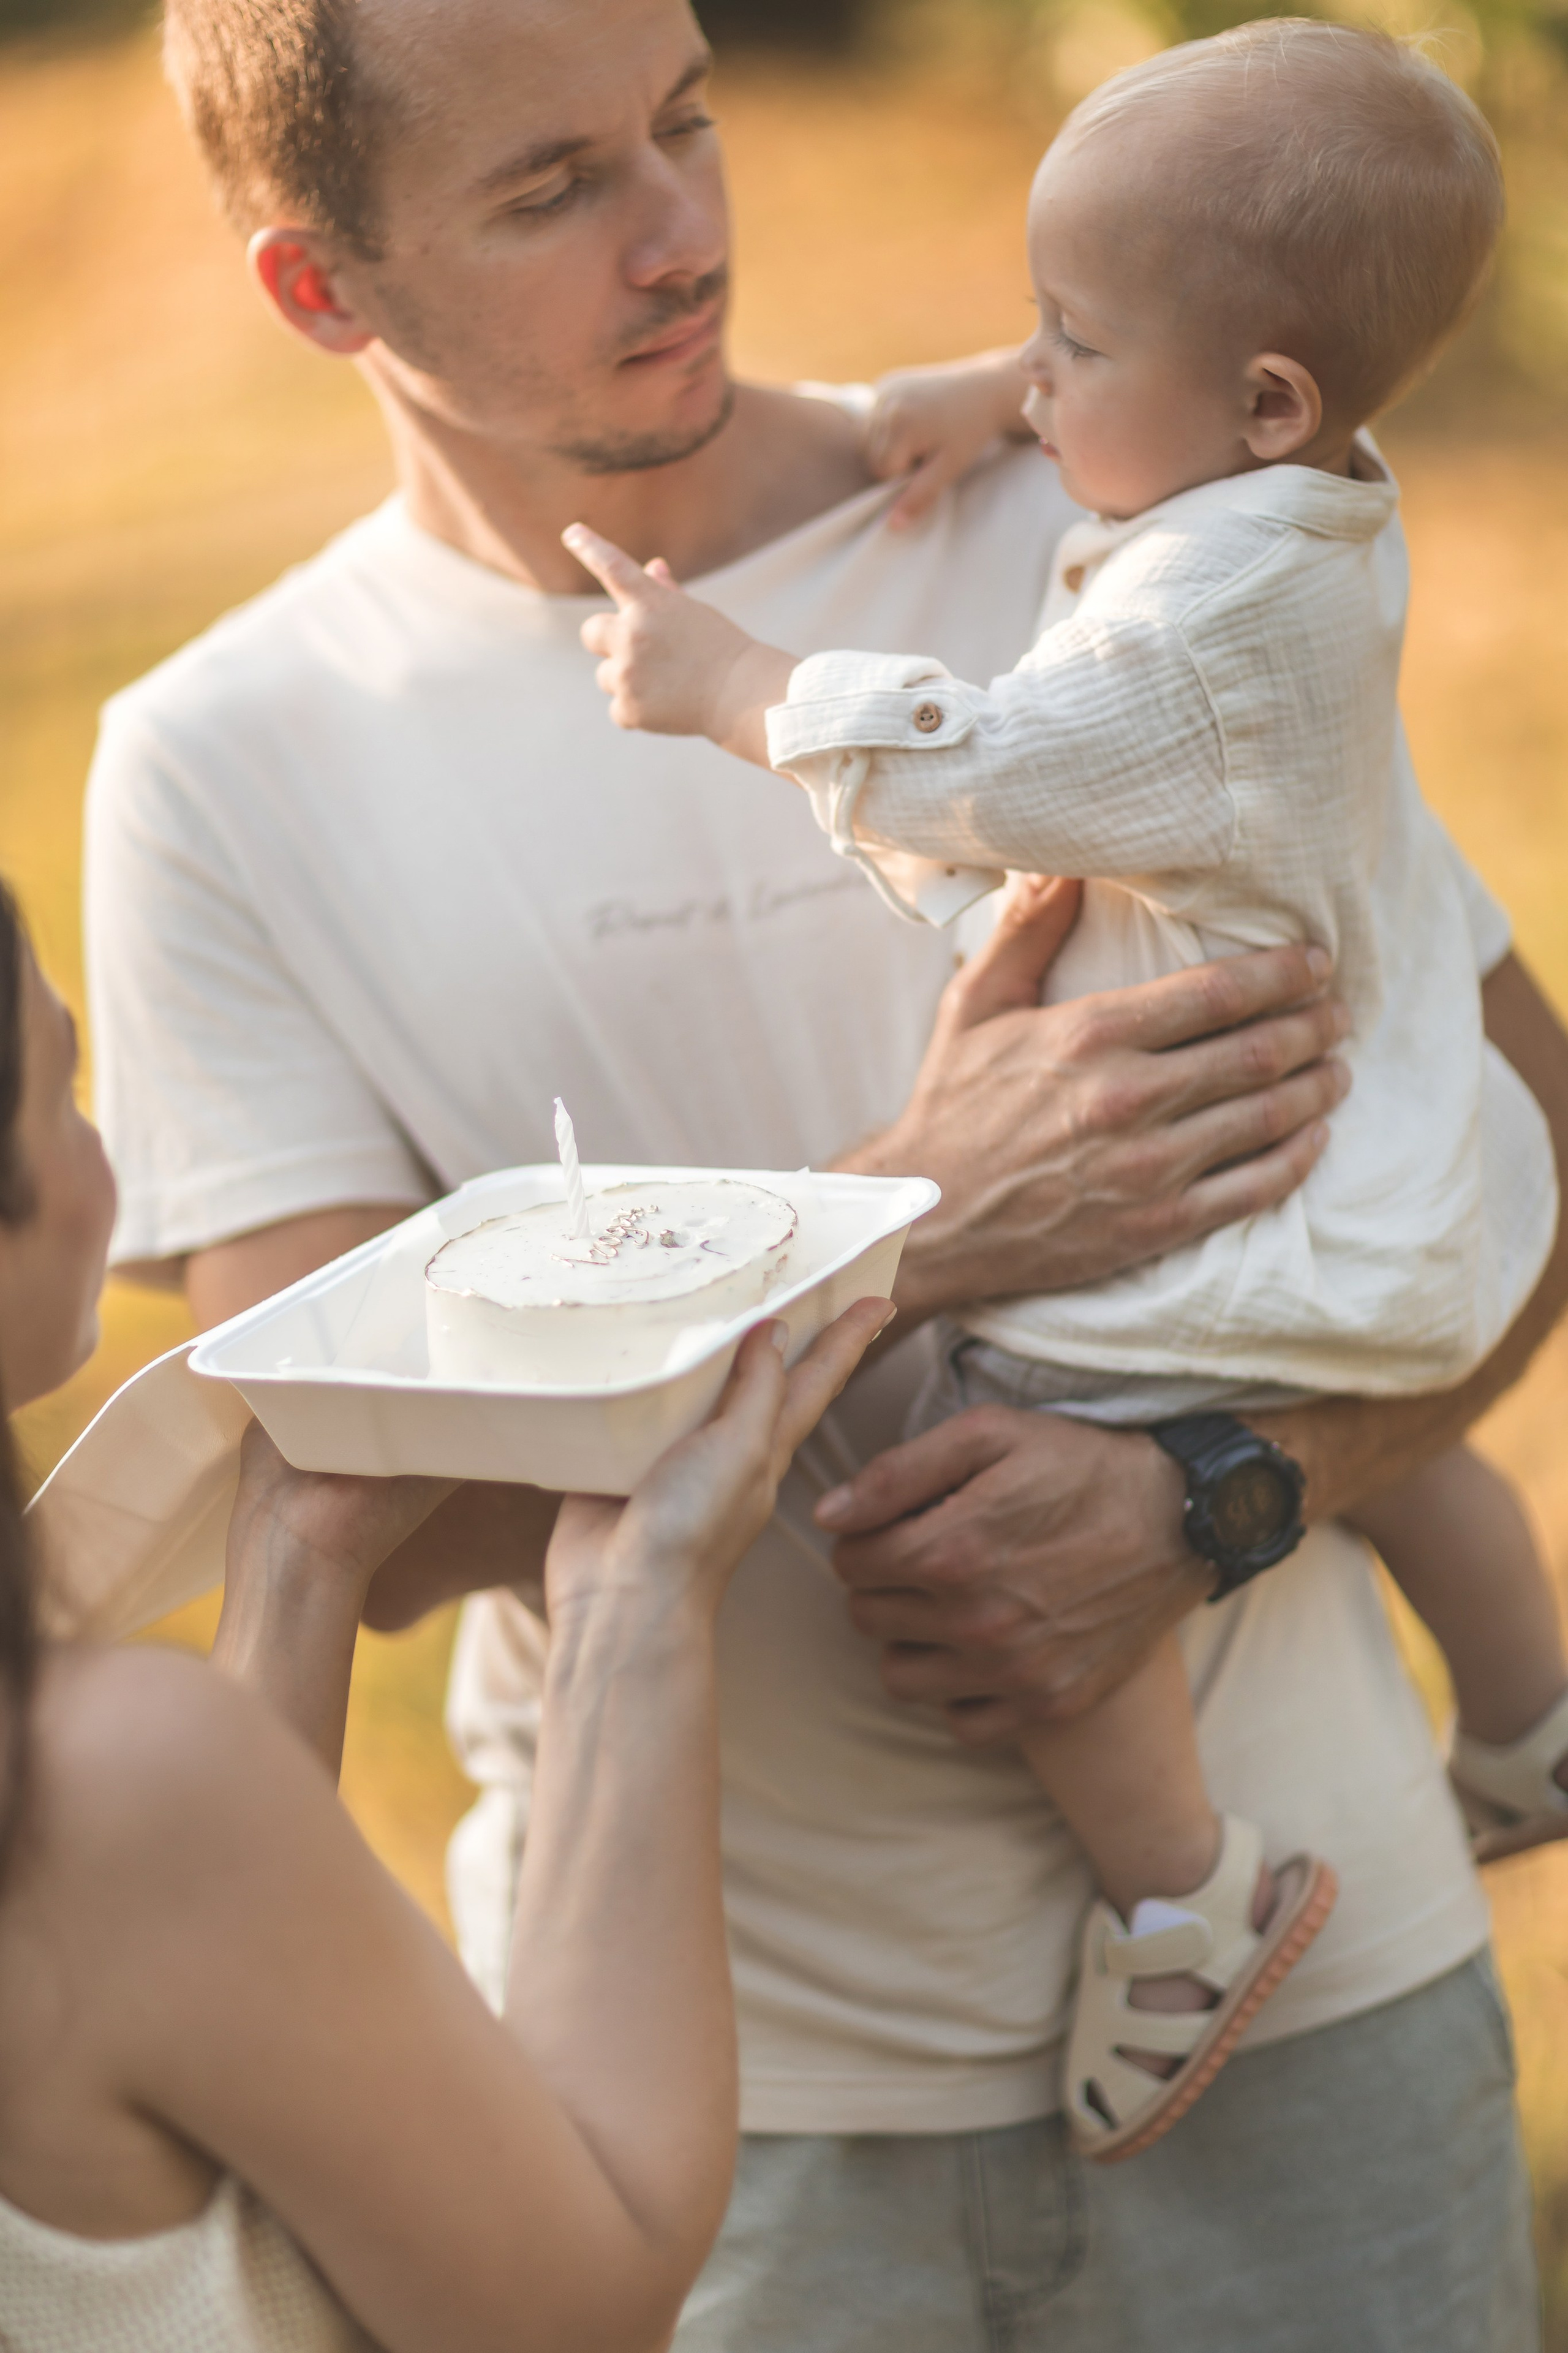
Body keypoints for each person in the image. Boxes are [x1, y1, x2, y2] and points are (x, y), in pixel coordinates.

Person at [81, 0, 1568, 2341]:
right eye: (555, 187)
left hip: (1323, 2018)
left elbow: (1500, 1140)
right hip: (703, 2135)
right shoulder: (217, 769)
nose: (682, 231)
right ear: (322, 288)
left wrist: (1221, 1491)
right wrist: (910, 1209)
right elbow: (376, 1511)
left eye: (685, 123)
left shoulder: (1109, 496)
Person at [562, 17, 1568, 2161]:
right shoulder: (1306, 488)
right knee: (1409, 1400)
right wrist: (984, 392)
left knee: (1019, 1437)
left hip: (1203, 1153)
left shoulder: (1199, 640)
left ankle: (1188, 1896)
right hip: (1373, 1124)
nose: (1036, 379)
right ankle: (1538, 1715)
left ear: (1256, 401)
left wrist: (732, 686)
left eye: (1065, 343)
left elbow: (996, 762)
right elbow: (1144, 380)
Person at [0, 875, 893, 2352]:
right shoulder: (84, 1783)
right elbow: (577, 2302)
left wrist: (294, 1558)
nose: (100, 1155)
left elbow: (178, 1993)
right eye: (61, 1093)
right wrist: (635, 1599)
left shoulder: (112, 1811)